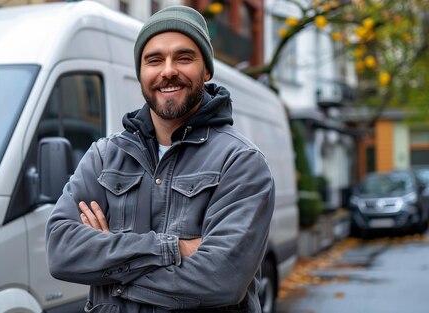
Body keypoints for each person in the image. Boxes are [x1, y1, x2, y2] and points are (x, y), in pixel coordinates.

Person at [46, 5, 275, 313]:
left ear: (206, 70)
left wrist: (110, 271)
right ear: (140, 72)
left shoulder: (241, 162)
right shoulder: (104, 157)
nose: (168, 70)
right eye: (154, 59)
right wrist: (175, 248)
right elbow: (61, 253)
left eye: (183, 57)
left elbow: (221, 279)